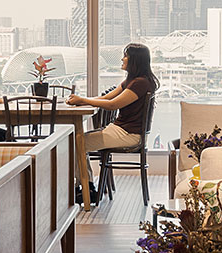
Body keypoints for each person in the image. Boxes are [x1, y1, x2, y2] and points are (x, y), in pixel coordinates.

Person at [66, 42, 156, 185]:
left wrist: (83, 99)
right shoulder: (133, 80)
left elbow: (113, 104)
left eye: (125, 56)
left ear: (135, 60)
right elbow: (106, 98)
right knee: (77, 141)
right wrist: (82, 101)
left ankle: (85, 187)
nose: (122, 59)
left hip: (128, 135)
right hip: (122, 131)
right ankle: (84, 186)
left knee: (76, 143)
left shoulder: (140, 83)